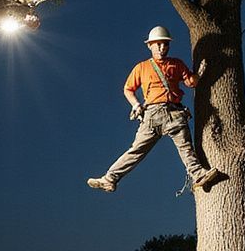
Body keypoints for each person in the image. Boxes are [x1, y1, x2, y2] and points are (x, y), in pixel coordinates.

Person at [87, 26, 222, 193]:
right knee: (136, 150)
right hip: (151, 115)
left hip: (174, 113)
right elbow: (128, 89)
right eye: (158, 44)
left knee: (186, 147)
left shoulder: (176, 64)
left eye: (165, 44)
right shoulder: (141, 67)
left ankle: (199, 175)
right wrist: (136, 105)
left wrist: (199, 74)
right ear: (149, 45)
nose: (161, 48)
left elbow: (191, 83)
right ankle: (110, 179)